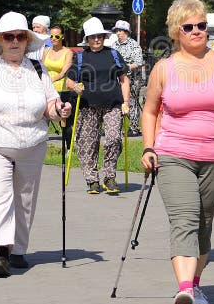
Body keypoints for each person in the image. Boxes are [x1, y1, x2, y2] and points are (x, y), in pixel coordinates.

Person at [140, 0, 214, 304]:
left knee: (204, 223)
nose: (197, 31)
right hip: (174, 153)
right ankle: (185, 290)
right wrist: (148, 147)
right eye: (188, 27)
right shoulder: (164, 68)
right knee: (185, 219)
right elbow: (150, 111)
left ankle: (196, 284)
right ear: (177, 32)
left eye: (202, 25)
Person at [0, 12, 71, 277]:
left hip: (32, 145)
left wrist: (59, 109)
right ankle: (1, 251)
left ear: (27, 40)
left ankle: (18, 249)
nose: (15, 41)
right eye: (9, 37)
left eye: (20, 36)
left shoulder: (37, 70)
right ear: (0, 40)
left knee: (25, 199)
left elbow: (50, 105)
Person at [65, 17, 130, 195]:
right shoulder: (80, 57)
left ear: (103, 37)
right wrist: (75, 87)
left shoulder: (113, 54)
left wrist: (126, 102)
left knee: (113, 138)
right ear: (87, 39)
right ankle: (92, 180)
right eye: (92, 36)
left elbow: (124, 80)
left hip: (113, 104)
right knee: (88, 143)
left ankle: (109, 176)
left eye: (99, 36)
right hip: (87, 105)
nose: (96, 39)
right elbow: (69, 81)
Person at [42, 24, 75, 144]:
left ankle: (69, 147)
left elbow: (64, 72)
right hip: (46, 90)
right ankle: (41, 146)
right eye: (51, 36)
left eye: (56, 36)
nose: (53, 39)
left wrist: (51, 80)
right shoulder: (46, 51)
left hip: (62, 89)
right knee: (42, 119)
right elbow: (41, 68)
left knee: (65, 122)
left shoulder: (68, 52)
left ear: (62, 37)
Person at [112, 20, 144, 137]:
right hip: (118, 78)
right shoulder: (114, 45)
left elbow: (139, 62)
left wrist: (126, 67)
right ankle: (118, 126)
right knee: (119, 101)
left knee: (132, 102)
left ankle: (133, 127)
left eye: (120, 31)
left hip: (132, 78)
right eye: (117, 31)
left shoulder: (134, 44)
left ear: (126, 32)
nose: (118, 33)